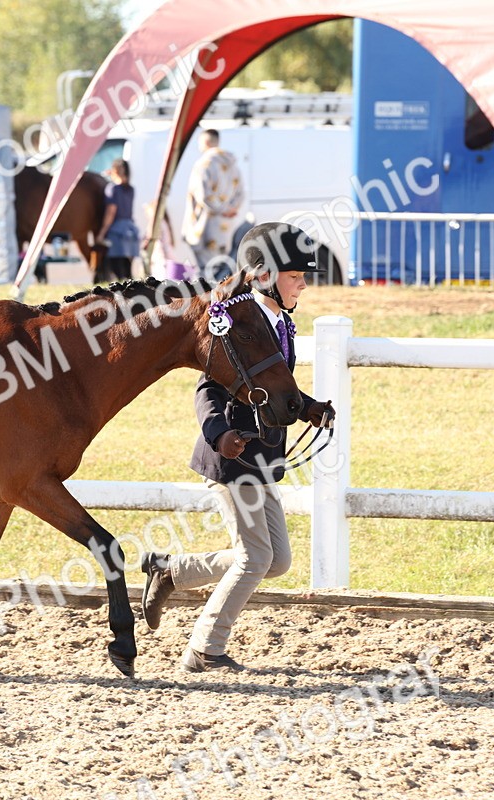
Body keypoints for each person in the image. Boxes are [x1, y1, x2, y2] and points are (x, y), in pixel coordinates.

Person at [140, 222, 335, 673]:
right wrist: (218, 433)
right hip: (231, 456)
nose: (303, 284)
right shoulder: (234, 323)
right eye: (295, 276)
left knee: (277, 560)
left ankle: (170, 570)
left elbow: (273, 386)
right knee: (255, 557)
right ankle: (205, 649)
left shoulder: (279, 323)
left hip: (261, 457)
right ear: (264, 276)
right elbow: (208, 389)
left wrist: (307, 407)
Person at [182, 129, 246, 280]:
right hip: (225, 226)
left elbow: (202, 195)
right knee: (220, 268)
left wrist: (221, 209)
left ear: (205, 142)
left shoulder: (204, 164)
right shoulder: (233, 165)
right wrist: (230, 209)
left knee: (206, 271)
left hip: (204, 226)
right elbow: (241, 193)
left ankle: (208, 294)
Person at [96, 159, 140, 283]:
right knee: (127, 269)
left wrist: (102, 233)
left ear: (115, 171)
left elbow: (111, 212)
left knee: (117, 269)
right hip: (130, 230)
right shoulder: (131, 189)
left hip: (117, 232)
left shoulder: (112, 188)